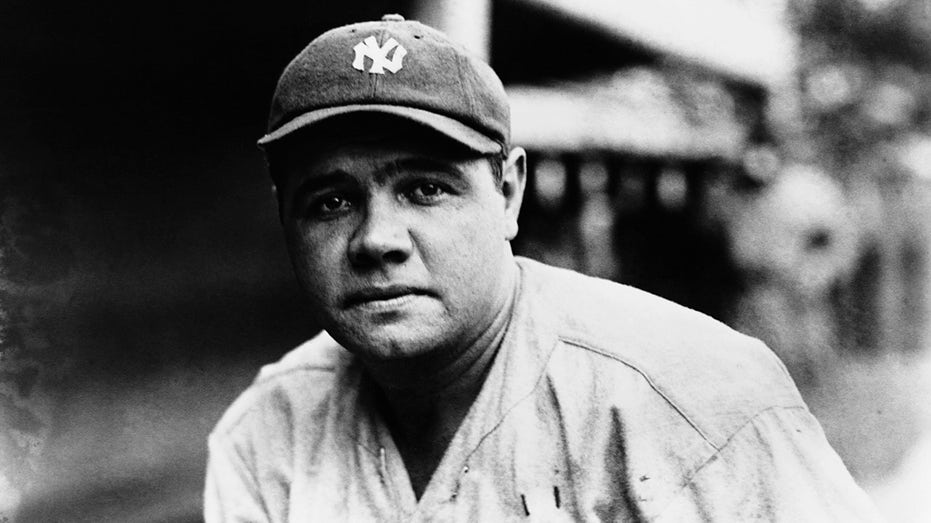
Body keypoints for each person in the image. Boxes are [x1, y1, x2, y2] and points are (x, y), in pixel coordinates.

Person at [205, 14, 883, 522]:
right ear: (286, 223)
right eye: (329, 201)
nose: (376, 238)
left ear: (507, 195)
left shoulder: (690, 397)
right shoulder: (268, 431)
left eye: (425, 188)